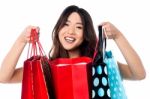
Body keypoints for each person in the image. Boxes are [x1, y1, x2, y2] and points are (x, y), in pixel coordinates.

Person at [0, 5, 146, 84]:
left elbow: (138, 74)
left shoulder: (98, 66)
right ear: (58, 29)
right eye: (66, 24)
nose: (70, 31)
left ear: (86, 33)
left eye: (78, 27)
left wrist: (118, 36)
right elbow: (4, 77)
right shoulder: (47, 68)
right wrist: (21, 40)